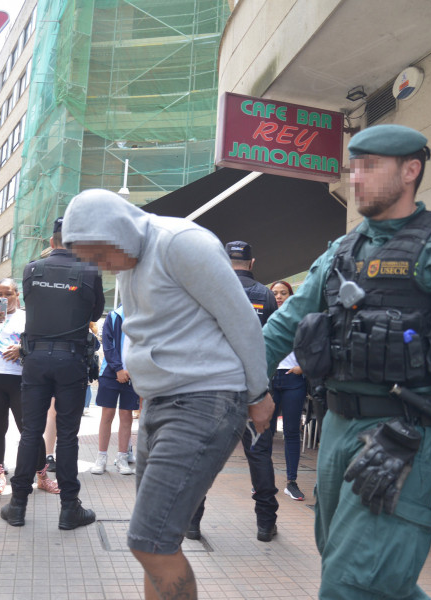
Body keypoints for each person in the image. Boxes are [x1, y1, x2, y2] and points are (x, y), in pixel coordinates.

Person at [263, 124, 431, 598]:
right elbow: (283, 325)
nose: (355, 178)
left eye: (369, 167)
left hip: (404, 434)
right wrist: (244, 387)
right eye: (353, 167)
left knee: (352, 583)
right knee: (364, 572)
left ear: (410, 170)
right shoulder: (342, 250)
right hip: (339, 426)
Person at [62, 189, 273, 600]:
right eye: (91, 260)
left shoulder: (180, 242)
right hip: (159, 402)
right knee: (156, 542)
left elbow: (242, 318)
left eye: (100, 254)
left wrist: (259, 392)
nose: (101, 266)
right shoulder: (128, 259)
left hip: (206, 398)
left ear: (119, 229)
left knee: (149, 539)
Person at [1, 217, 104, 530]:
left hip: (35, 359)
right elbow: (95, 313)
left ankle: (18, 505)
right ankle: (69, 507)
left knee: (31, 432)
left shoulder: (32, 270)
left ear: (51, 241)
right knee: (68, 435)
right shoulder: (89, 271)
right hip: (71, 359)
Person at [187, 241, 280, 542]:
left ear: (225, 262)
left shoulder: (207, 288)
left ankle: (192, 522)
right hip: (254, 387)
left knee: (203, 456)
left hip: (213, 388)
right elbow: (272, 342)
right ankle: (266, 524)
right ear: (252, 263)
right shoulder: (266, 294)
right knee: (260, 456)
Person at [0, 278, 58, 495]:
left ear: (17, 295)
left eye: (8, 293)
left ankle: (42, 475)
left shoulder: (29, 318)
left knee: (29, 430)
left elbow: (43, 345)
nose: (4, 298)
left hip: (21, 379)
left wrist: (21, 349)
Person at [269, 280, 307, 502]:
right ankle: (262, 481)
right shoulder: (265, 318)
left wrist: (303, 367)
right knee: (265, 433)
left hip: (293, 378)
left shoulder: (299, 319)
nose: (279, 297)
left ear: (290, 295)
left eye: (283, 293)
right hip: (271, 379)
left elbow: (312, 344)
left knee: (292, 432)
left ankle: (291, 482)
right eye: (275, 293)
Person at [90, 306, 138, 476]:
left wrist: (134, 369)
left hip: (133, 374)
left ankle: (122, 457)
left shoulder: (145, 315)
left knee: (126, 416)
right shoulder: (114, 315)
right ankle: (101, 457)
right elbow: (108, 344)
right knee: (107, 415)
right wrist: (118, 369)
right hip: (111, 373)